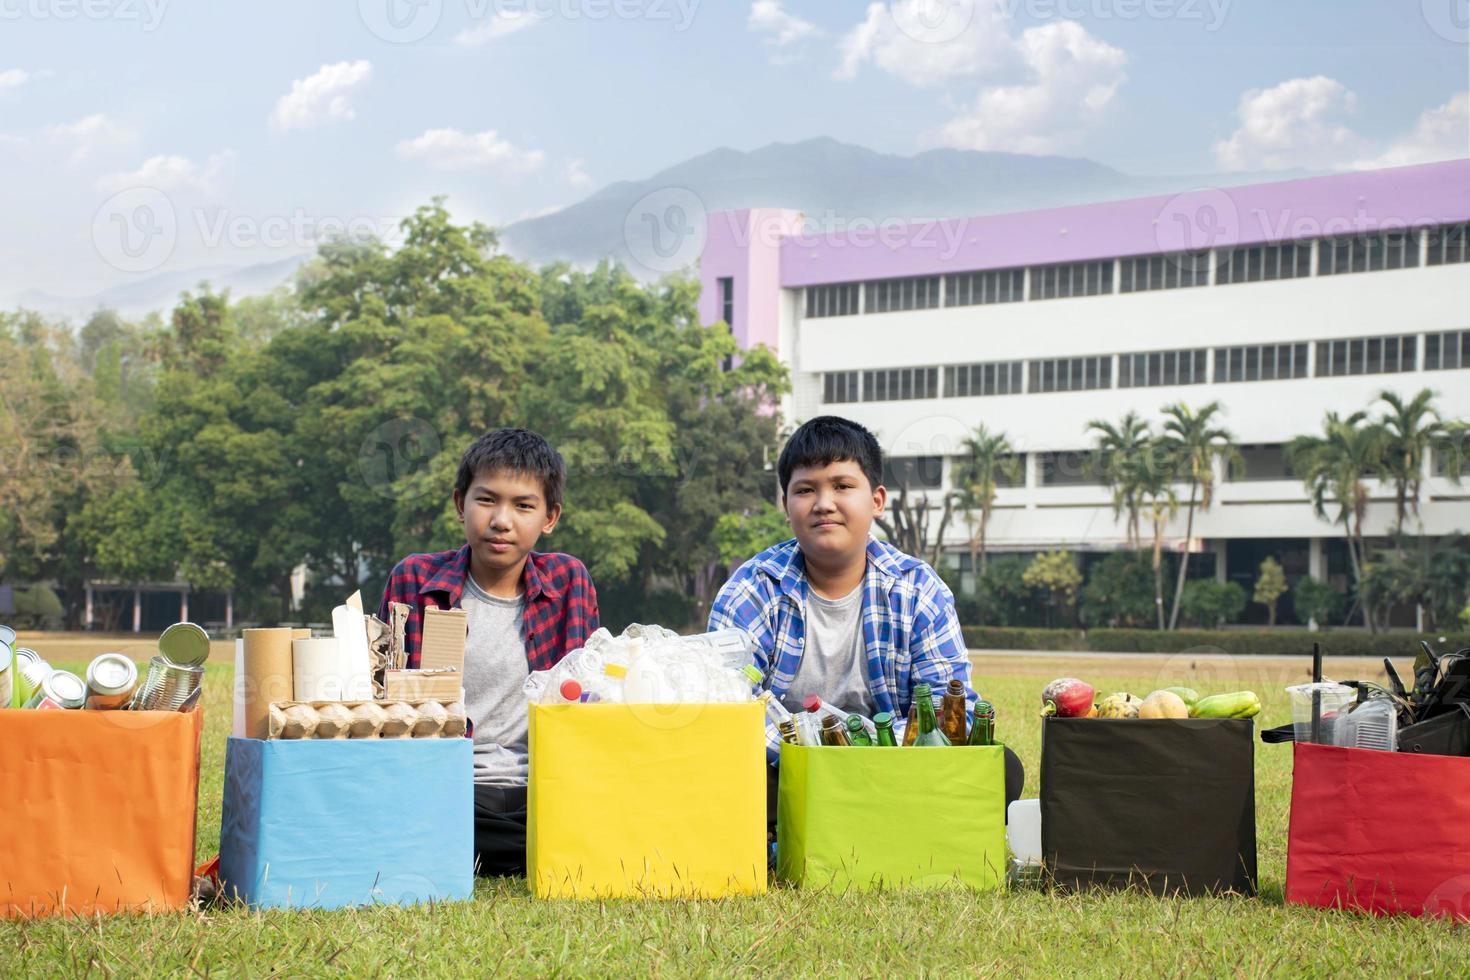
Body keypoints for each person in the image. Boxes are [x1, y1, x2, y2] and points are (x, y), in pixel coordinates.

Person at [708, 415, 1024, 828]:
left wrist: (855, 749)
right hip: (787, 772)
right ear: (786, 505)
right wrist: (820, 757)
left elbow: (953, 715)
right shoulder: (753, 588)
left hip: (892, 769)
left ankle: (824, 821)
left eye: (841, 486)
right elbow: (725, 713)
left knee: (1003, 771)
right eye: (805, 490)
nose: (823, 503)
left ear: (876, 500)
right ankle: (880, 821)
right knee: (721, 772)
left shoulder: (917, 589)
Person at [379, 427, 598, 875]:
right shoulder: (416, 582)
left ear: (550, 517)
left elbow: (589, 704)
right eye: (487, 500)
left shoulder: (569, 583)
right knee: (396, 817)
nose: (502, 520)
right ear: (461, 504)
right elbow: (382, 704)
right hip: (443, 789)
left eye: (523, 506)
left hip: (542, 791)